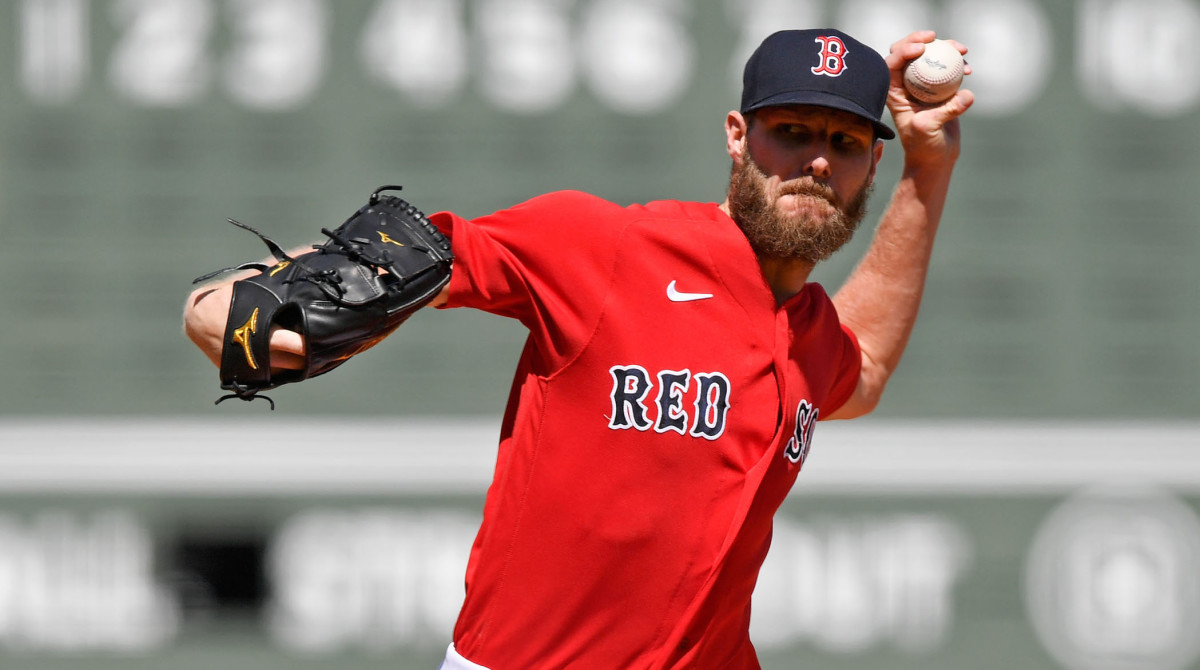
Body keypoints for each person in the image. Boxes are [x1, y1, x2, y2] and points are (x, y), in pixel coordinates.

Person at [185, 27, 972, 670]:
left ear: (872, 162)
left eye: (844, 140)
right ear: (739, 137)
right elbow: (398, 262)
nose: (816, 161)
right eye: (790, 132)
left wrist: (928, 169)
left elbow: (860, 368)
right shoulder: (609, 246)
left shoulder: (807, 335)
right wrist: (234, 310)